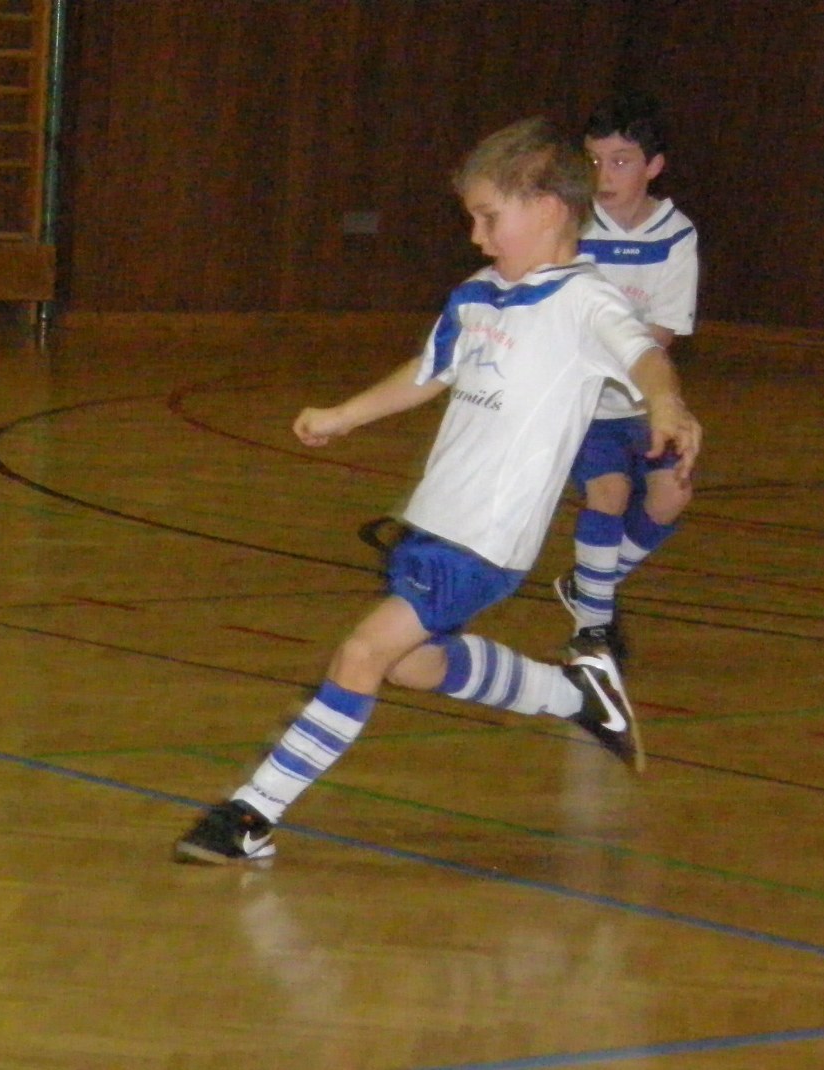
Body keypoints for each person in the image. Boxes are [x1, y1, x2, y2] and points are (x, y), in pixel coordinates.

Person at [174, 116, 701, 865]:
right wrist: (345, 414)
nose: (478, 238)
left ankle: (251, 815)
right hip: (431, 522)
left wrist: (666, 405)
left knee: (362, 653)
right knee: (411, 662)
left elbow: (645, 358)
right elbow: (429, 372)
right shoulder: (478, 294)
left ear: (549, 208)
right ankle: (573, 696)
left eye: (490, 218)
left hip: (486, 538)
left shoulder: (587, 303)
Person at [555, 91, 699, 663]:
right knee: (609, 492)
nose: (604, 174)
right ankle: (592, 632)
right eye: (593, 160)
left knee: (671, 496)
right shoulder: (569, 227)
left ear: (654, 166)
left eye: (620, 161)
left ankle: (590, 587)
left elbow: (660, 334)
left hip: (642, 401)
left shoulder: (675, 236)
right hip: (585, 404)